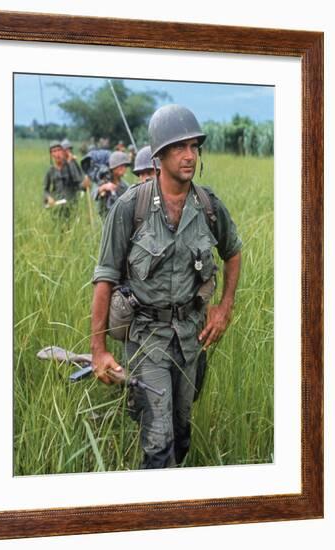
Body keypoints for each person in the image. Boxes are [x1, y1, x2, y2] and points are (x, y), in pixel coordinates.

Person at [90, 104, 242, 469]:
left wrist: (224, 308)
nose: (189, 155)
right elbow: (105, 277)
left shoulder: (208, 206)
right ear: (159, 155)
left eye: (194, 146)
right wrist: (98, 349)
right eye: (179, 147)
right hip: (146, 340)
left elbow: (233, 252)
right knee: (158, 447)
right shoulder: (131, 207)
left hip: (191, 339)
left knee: (181, 432)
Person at [43, 140, 83, 210]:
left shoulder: (71, 165)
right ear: (51, 154)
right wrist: (49, 198)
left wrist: (70, 162)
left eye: (59, 150)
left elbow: (78, 182)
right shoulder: (50, 171)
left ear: (63, 152)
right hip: (57, 206)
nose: (57, 153)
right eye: (54, 151)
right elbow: (45, 190)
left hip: (71, 205)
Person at [93, 151, 130, 218]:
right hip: (104, 218)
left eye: (124, 166)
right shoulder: (103, 180)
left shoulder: (125, 185)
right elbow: (93, 194)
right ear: (113, 167)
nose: (123, 169)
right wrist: (103, 187)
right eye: (120, 166)